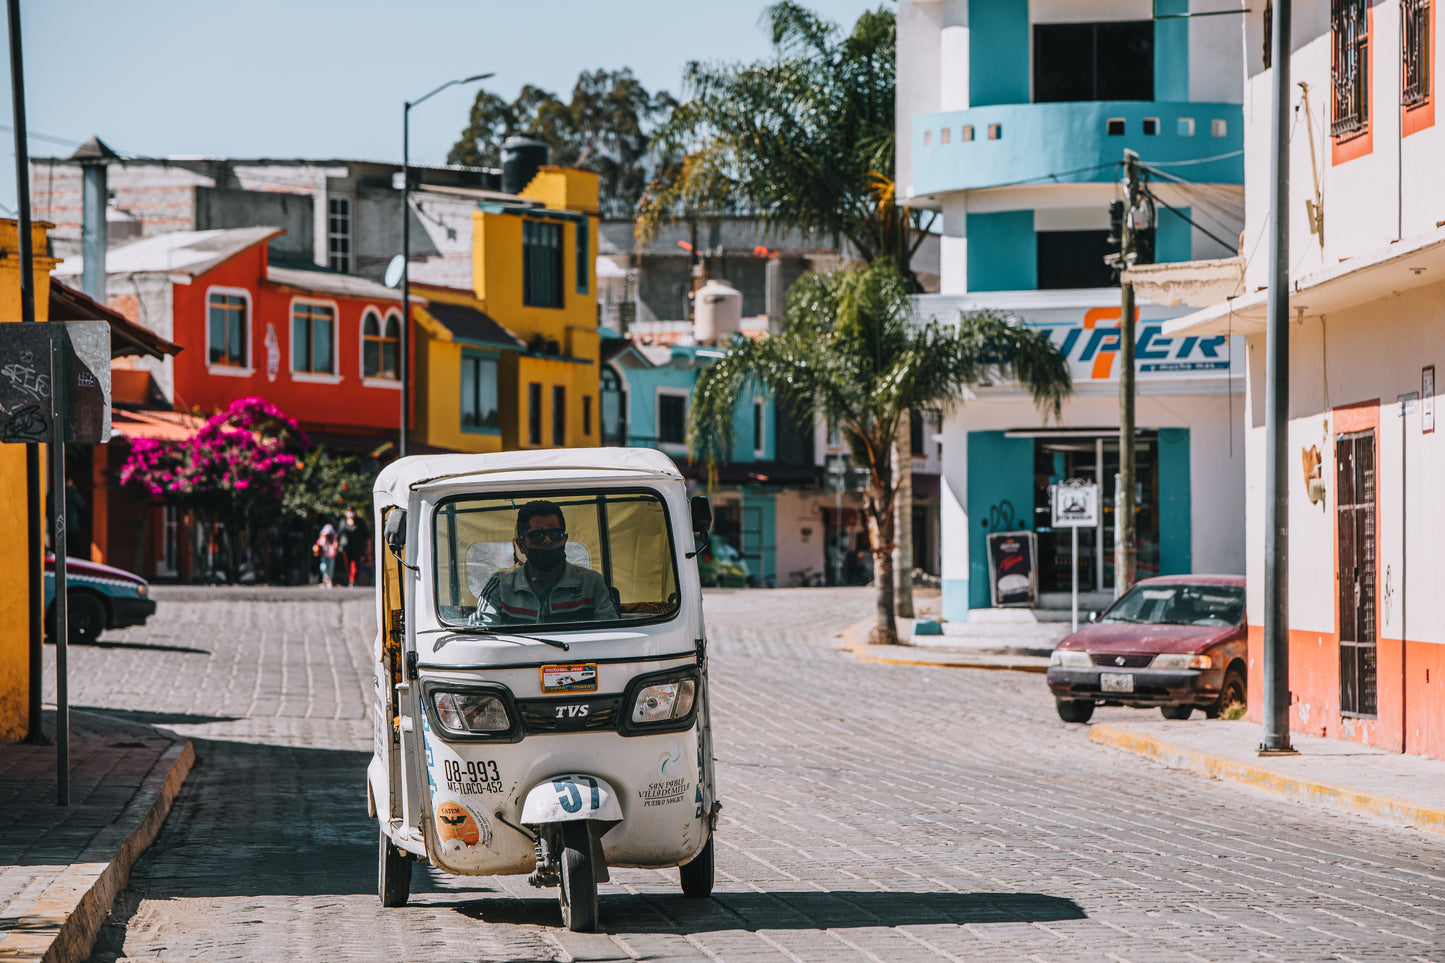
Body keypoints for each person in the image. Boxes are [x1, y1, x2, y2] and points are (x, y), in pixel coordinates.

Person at [474, 500, 619, 624]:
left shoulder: (592, 583)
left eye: (555, 534)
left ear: (564, 540)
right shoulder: (499, 585)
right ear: (521, 545)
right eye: (537, 535)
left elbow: (612, 635)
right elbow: (481, 634)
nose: (548, 541)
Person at [337, 507, 370, 587]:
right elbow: (339, 534)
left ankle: (353, 580)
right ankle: (351, 579)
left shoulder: (360, 521)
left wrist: (368, 548)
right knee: (347, 564)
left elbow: (366, 535)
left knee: (355, 564)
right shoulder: (343, 521)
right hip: (346, 547)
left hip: (357, 547)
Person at [313, 522, 338, 588]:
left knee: (330, 568)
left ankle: (329, 580)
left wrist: (335, 547)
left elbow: (335, 545)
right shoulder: (322, 538)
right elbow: (317, 545)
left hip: (331, 555)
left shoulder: (334, 538)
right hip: (324, 555)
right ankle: (325, 578)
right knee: (323, 567)